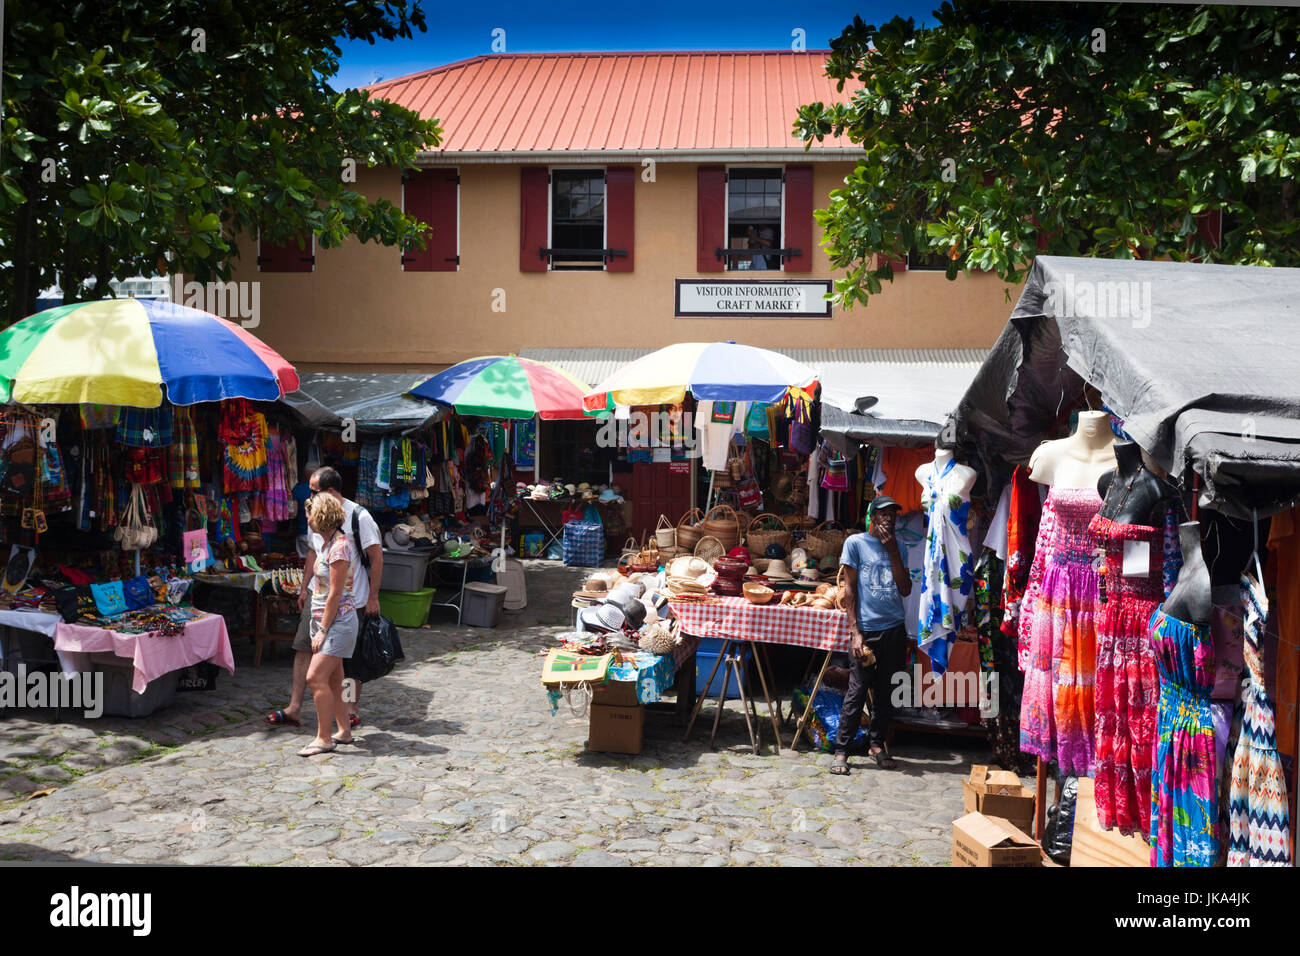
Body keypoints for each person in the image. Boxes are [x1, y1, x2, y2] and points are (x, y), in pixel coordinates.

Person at [266, 466, 382, 730]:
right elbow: (312, 553)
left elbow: (377, 558)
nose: (309, 495)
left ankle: (349, 711)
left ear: (330, 491)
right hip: (318, 597)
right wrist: (303, 587)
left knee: (348, 660)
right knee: (304, 647)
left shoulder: (359, 517)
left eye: (314, 491)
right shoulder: (315, 515)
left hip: (352, 600)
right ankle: (295, 707)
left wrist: (374, 597)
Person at [830, 495, 911, 774]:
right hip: (866, 629)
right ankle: (841, 750)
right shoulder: (856, 543)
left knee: (887, 692)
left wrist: (893, 553)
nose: (889, 518)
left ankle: (876, 744)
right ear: (873, 517)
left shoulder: (899, 547)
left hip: (894, 628)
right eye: (884, 513)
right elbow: (849, 590)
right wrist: (855, 633)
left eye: (893, 514)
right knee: (857, 690)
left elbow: (905, 589)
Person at [297, 494, 358, 756]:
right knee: (335, 679)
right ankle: (344, 730)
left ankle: (324, 737)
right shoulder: (327, 543)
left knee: (315, 676)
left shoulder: (339, 546)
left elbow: (335, 593)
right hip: (327, 619)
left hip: (337, 622)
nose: (307, 519)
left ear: (320, 516)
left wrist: (322, 630)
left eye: (310, 514)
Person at [292, 467, 313, 558]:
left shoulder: (297, 489)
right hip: (320, 534)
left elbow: (293, 513)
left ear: (305, 473)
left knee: (302, 565)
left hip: (302, 532)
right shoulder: (324, 489)